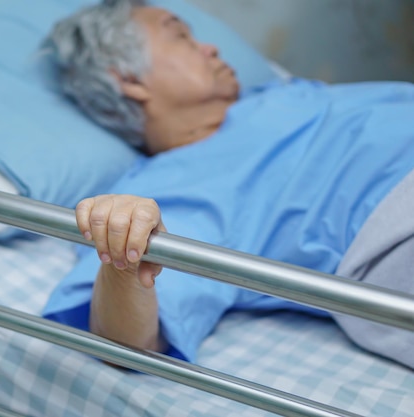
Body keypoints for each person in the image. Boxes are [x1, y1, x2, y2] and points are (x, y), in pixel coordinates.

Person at [41, 0, 414, 368]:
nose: (212, 46)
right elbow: (124, 341)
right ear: (129, 79)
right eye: (182, 37)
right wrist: (123, 247)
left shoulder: (270, 96)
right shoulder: (173, 187)